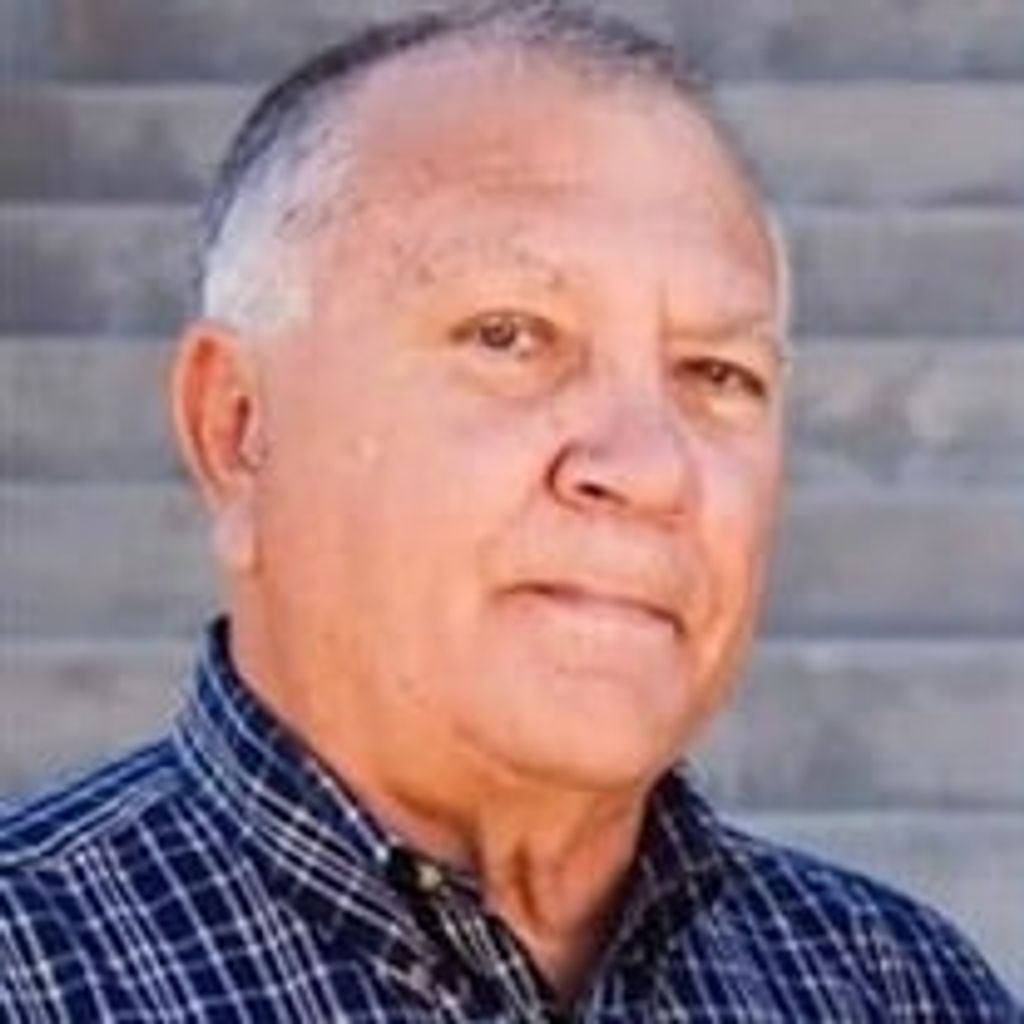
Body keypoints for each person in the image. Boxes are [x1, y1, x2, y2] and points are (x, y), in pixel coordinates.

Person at [0, 3, 1019, 1020]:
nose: (648, 467)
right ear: (239, 427)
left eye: (716, 372)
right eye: (508, 336)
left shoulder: (897, 986)